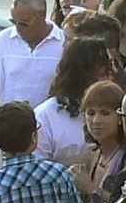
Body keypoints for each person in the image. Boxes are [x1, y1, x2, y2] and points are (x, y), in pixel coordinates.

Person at [34, 35, 116, 163]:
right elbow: (34, 171)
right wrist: (79, 161)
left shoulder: (118, 110)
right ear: (85, 71)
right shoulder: (45, 117)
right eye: (107, 66)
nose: (114, 71)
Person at [0, 0, 65, 106]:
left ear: (42, 15)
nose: (18, 28)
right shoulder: (3, 40)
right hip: (9, 120)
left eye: (24, 23)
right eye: (14, 22)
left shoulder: (63, 43)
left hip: (49, 122)